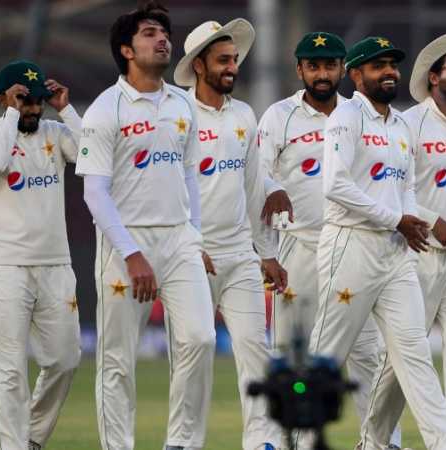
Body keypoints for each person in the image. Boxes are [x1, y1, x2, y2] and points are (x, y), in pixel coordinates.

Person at [307, 36, 446, 450]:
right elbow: (336, 186)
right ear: (356, 75)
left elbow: (406, 189)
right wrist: (398, 219)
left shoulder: (400, 125)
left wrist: (412, 222)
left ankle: (443, 443)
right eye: (378, 66)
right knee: (327, 357)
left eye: (392, 64)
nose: (389, 72)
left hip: (394, 254)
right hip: (350, 247)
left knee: (412, 354)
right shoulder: (346, 116)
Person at [75, 3, 216, 450]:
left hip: (178, 239)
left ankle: (182, 443)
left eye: (165, 33)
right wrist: (132, 253)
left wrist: (194, 236)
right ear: (126, 50)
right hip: (125, 243)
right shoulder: (105, 109)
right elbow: (94, 194)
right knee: (117, 360)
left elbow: (190, 175)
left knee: (201, 338)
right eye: (151, 33)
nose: (163, 40)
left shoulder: (182, 104)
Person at [257, 31, 402, 449]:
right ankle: (287, 441)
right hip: (299, 249)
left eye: (330, 65)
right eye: (314, 66)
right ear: (299, 69)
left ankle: (380, 441)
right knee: (292, 357)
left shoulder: (362, 114)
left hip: (354, 248)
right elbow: (258, 175)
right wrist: (271, 197)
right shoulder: (279, 116)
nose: (323, 74)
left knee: (368, 355)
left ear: (344, 69)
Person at [361, 30, 446, 450]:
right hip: (415, 257)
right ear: (434, 77)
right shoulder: (407, 124)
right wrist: (432, 220)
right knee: (402, 362)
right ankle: (373, 441)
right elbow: (386, 190)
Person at [172, 18, 287, 450]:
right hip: (190, 255)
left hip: (240, 253)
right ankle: (182, 441)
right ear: (198, 66)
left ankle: (264, 442)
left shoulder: (244, 114)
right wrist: (187, 243)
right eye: (222, 60)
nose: (232, 67)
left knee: (255, 350)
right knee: (193, 352)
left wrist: (267, 251)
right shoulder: (176, 113)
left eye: (234, 60)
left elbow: (254, 185)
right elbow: (165, 189)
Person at [0, 59, 82, 450]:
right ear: (2, 98)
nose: (33, 108)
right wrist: (12, 117)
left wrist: (65, 107)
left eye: (37, 100)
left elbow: (94, 158)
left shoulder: (55, 130)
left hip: (56, 265)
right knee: (10, 371)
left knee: (65, 360)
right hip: (7, 265)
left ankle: (31, 437)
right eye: (23, 99)